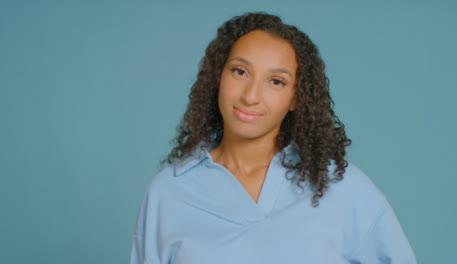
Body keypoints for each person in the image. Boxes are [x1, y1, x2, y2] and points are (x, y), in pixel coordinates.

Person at [130, 11, 417, 264]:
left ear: (296, 98)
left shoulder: (343, 188)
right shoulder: (168, 193)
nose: (251, 96)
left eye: (276, 81)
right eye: (240, 71)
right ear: (219, 76)